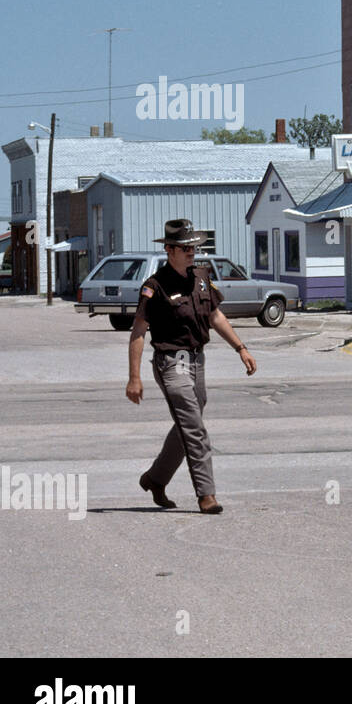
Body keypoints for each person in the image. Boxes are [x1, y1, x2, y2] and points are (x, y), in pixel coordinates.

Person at [126, 219, 256, 514]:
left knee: (188, 424)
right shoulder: (154, 286)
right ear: (169, 249)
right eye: (185, 248)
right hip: (171, 362)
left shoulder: (201, 277)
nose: (191, 252)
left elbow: (216, 317)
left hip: (197, 360)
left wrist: (241, 348)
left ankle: (155, 479)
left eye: (194, 247)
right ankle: (206, 495)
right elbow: (138, 333)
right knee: (195, 428)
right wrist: (134, 377)